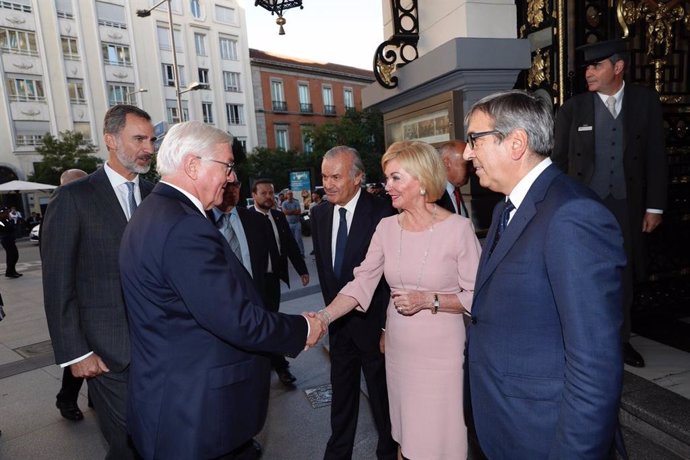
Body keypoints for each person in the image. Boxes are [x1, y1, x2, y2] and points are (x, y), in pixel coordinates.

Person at [119, 120, 324, 460]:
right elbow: (237, 320)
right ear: (192, 165)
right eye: (227, 166)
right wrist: (304, 327)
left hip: (175, 406)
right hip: (196, 418)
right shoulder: (184, 226)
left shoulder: (154, 213)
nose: (231, 177)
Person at [463, 90, 626, 458]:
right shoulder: (506, 209)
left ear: (516, 142)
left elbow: (594, 366)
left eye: (475, 140)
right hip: (503, 425)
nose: (466, 153)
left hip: (544, 435)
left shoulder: (573, 215)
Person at [316, 141, 481, 459]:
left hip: (441, 355)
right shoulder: (386, 228)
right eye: (386, 178)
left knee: (440, 440)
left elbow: (478, 296)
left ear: (420, 180)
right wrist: (323, 318)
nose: (386, 186)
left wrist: (427, 300)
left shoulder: (458, 230)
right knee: (405, 439)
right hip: (399, 354)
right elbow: (361, 281)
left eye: (395, 178)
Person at [41, 104, 156, 459]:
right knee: (126, 443)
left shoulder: (157, 195)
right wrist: (76, 352)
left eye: (152, 140)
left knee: (157, 437)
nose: (148, 148)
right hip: (107, 353)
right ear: (110, 139)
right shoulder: (74, 198)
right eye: (138, 139)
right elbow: (58, 283)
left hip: (161, 348)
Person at [553, 39, 667, 369]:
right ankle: (583, 340)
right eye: (587, 67)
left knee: (623, 273)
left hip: (627, 206)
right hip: (583, 207)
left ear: (618, 67)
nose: (588, 72)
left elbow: (656, 158)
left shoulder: (645, 102)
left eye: (595, 66)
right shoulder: (572, 109)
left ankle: (621, 341)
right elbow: (558, 163)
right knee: (583, 273)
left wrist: (654, 207)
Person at [311, 146, 397, 460]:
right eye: (324, 176)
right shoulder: (319, 213)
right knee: (342, 396)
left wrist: (388, 326)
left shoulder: (383, 212)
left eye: (336, 176)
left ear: (358, 177)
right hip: (339, 326)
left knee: (381, 398)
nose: (328, 184)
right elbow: (325, 270)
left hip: (374, 328)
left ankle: (388, 452)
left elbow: (390, 278)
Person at [250, 179, 309, 386]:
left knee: (270, 319)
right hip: (254, 282)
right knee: (266, 321)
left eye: (271, 193)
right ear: (254, 195)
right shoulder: (246, 218)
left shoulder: (278, 216)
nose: (268, 197)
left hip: (273, 279)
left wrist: (302, 269)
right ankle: (280, 365)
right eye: (264, 193)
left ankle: (271, 360)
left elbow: (290, 245)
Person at [53, 168, 89, 422]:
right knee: (78, 356)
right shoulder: (60, 211)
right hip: (77, 301)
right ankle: (66, 399)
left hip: (101, 301)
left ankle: (98, 397)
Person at [436, 140, 470, 217]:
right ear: (447, 163)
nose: (471, 169)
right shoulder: (434, 196)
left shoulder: (455, 190)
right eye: (466, 164)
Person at [281, 190, 305, 257]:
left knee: (298, 239)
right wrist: (294, 211)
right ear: (286, 195)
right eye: (288, 194)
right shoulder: (284, 203)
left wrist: (289, 212)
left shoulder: (296, 202)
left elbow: (299, 212)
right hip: (288, 224)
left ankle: (301, 253)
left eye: (291, 194)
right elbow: (285, 213)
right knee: (290, 240)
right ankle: (293, 253)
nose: (290, 195)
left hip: (297, 223)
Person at [0, 207, 21, 278]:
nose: (7, 214)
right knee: (11, 256)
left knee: (15, 255)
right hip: (6, 240)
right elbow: (6, 228)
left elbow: (12, 227)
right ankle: (9, 272)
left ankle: (12, 271)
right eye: (5, 213)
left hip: (10, 239)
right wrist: (11, 224)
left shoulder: (6, 220)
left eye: (7, 212)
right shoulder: (1, 221)